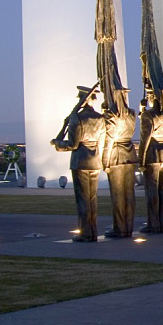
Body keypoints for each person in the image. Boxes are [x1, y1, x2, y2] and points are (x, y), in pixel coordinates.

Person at [51, 85, 105, 242]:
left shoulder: (77, 118)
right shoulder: (100, 118)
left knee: (82, 199)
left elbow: (73, 144)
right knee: (92, 199)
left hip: (80, 162)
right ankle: (92, 231)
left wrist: (58, 143)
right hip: (95, 162)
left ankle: (85, 233)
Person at [102, 89, 138, 237]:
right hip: (129, 154)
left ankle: (120, 227)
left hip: (116, 156)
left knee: (117, 194)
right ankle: (128, 226)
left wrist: (105, 161)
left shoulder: (112, 115)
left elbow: (109, 139)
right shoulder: (132, 113)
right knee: (129, 194)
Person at [138, 89, 163, 233]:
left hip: (153, 154)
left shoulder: (148, 115)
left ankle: (153, 223)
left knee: (152, 191)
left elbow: (145, 139)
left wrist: (141, 161)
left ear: (151, 97)